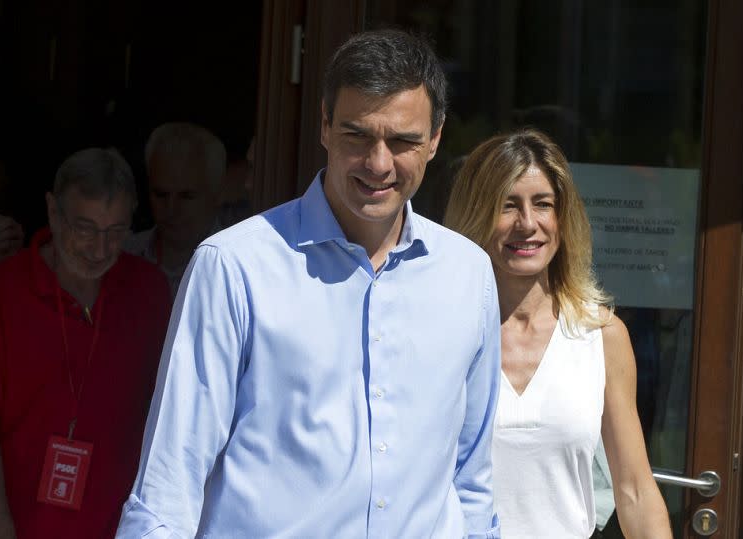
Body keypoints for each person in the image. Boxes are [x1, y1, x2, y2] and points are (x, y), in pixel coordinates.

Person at [116, 29, 501, 538]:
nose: (379, 162)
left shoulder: (468, 275)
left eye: (403, 141)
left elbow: (471, 482)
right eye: (357, 135)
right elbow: (169, 481)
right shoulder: (234, 266)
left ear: (435, 139)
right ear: (323, 125)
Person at [444, 130, 671, 538]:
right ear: (477, 215)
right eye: (507, 206)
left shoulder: (601, 336)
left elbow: (635, 490)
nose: (527, 224)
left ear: (562, 219)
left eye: (542, 204)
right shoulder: (441, 332)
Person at [0, 148, 171, 538]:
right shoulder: (5, 290)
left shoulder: (149, 291)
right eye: (85, 228)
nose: (99, 249)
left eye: (114, 231)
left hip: (120, 528)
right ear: (53, 212)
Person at [125, 121, 226, 297]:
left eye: (186, 196)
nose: (171, 208)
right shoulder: (121, 255)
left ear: (217, 193)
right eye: (161, 194)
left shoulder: (236, 266)